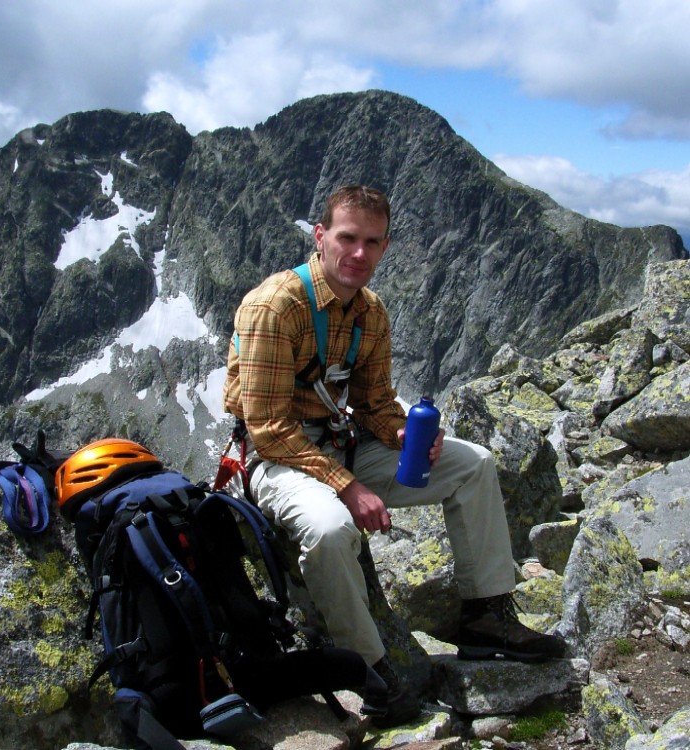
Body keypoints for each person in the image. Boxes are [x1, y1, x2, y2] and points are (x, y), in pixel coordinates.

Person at [222, 184, 568, 727]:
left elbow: (376, 405)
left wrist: (406, 434)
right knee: (332, 530)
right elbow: (268, 429)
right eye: (347, 238)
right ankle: (369, 673)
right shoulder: (275, 307)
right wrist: (349, 486)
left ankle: (486, 615)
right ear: (320, 237)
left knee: (472, 463)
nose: (359, 253)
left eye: (373, 242)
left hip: (342, 444)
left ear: (385, 247)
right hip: (276, 461)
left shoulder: (371, 314)